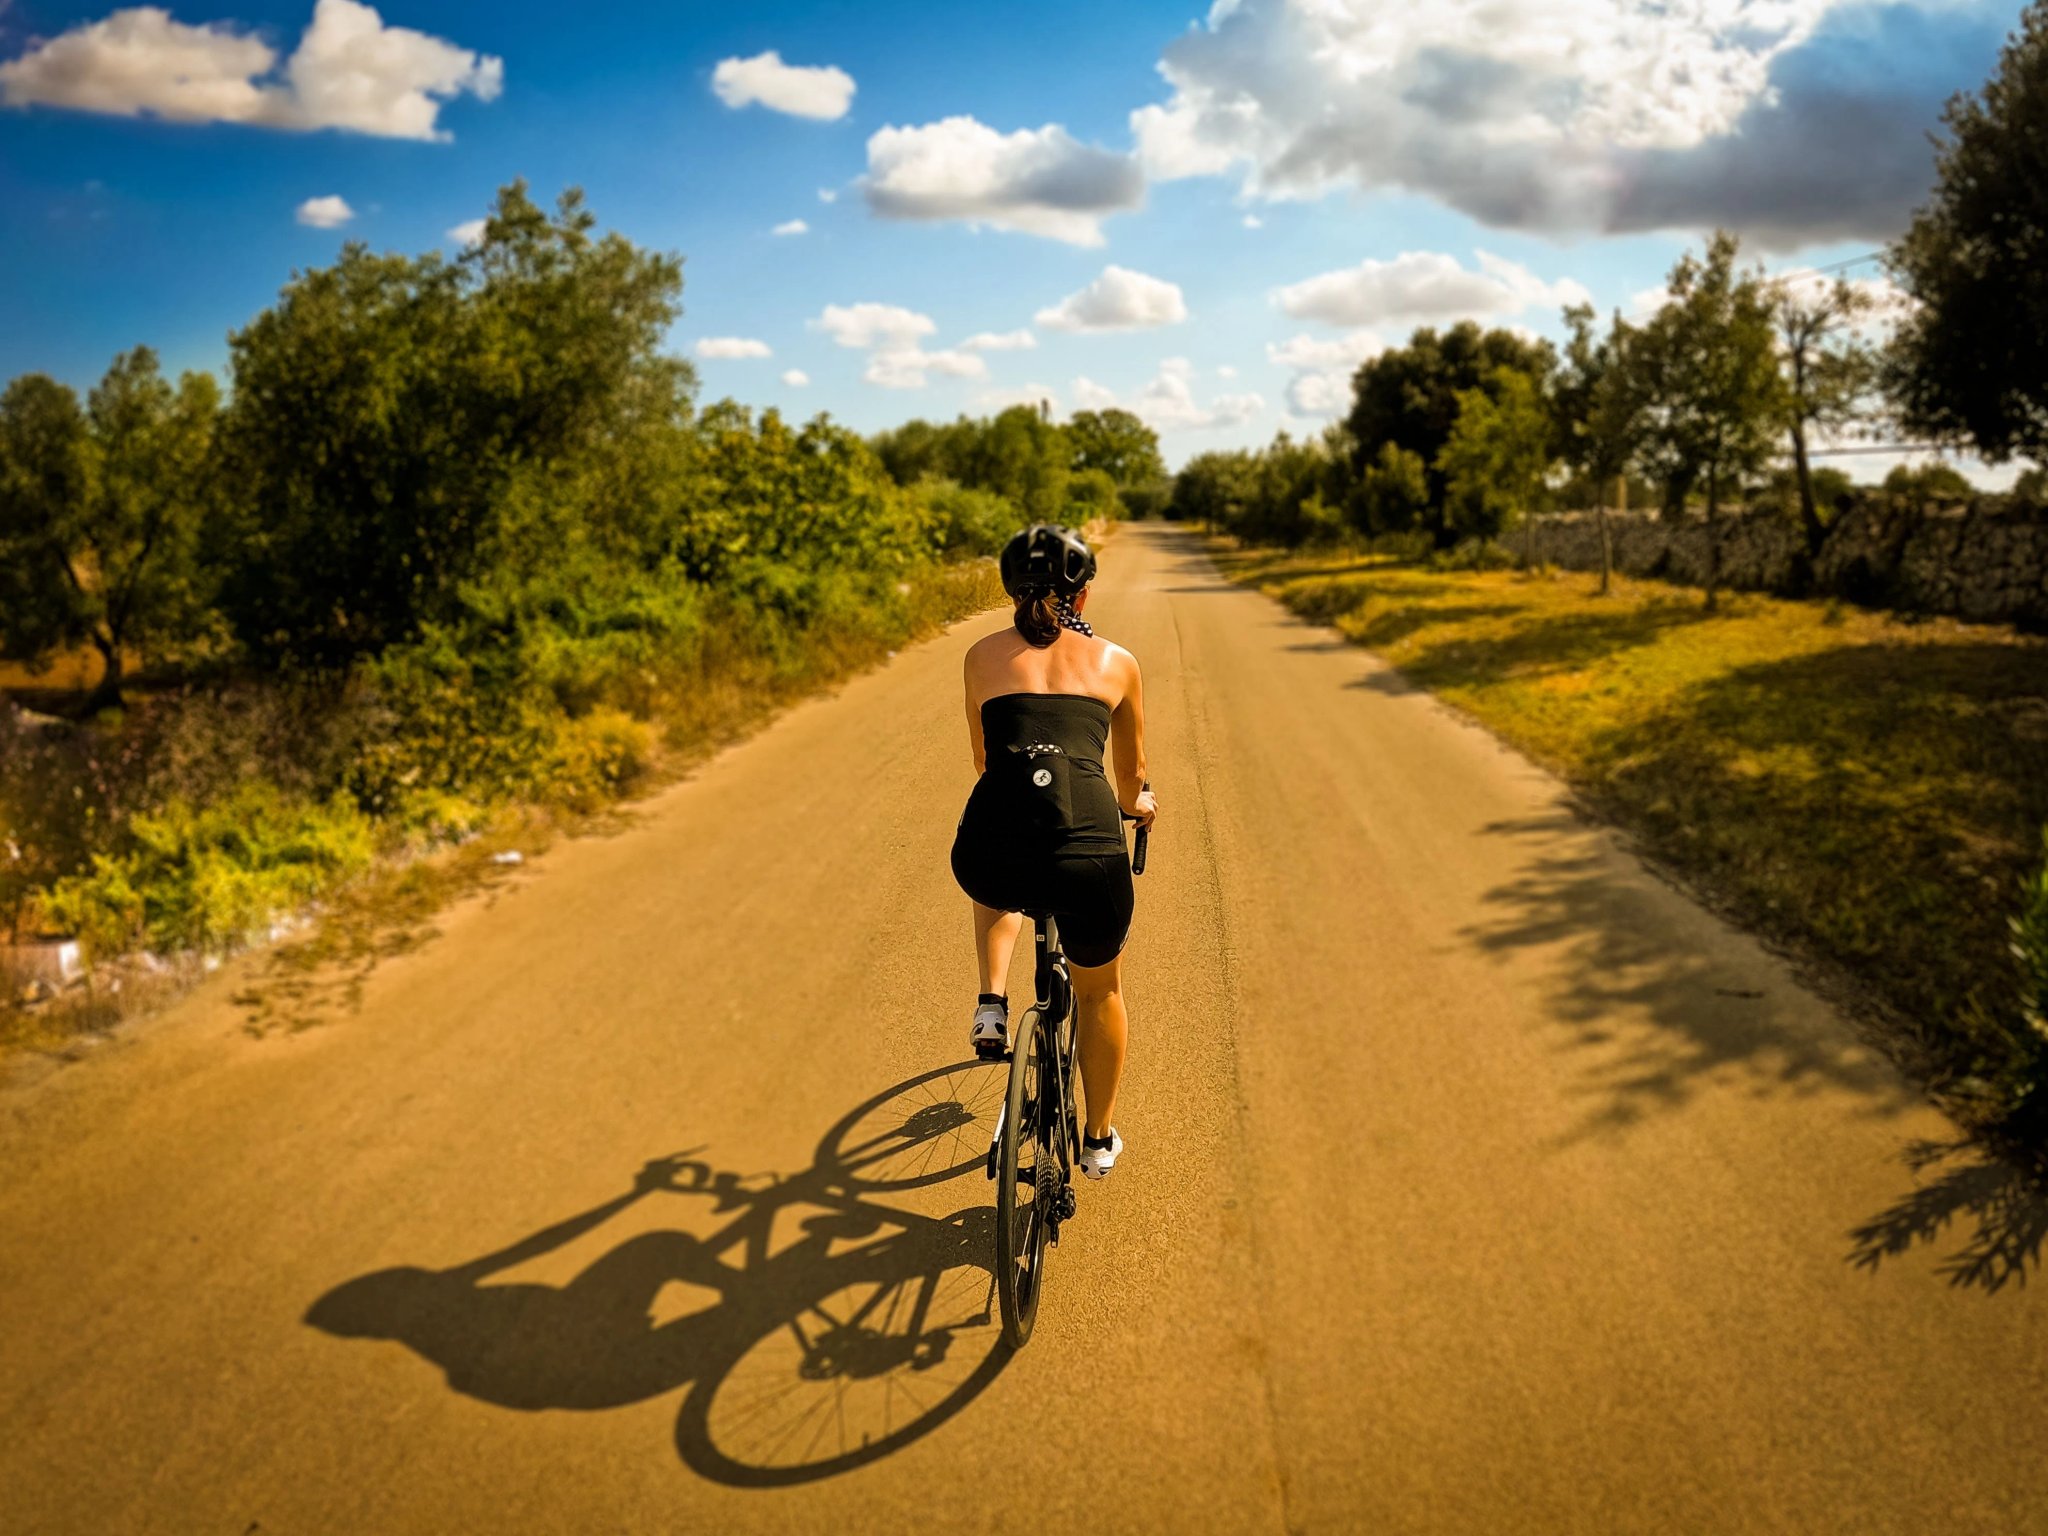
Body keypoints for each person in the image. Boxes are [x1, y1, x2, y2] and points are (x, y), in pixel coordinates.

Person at [949, 523, 1157, 1180]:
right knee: (1099, 995)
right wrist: (1138, 808)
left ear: (1010, 588)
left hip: (997, 848)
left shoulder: (980, 656)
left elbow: (984, 760)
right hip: (1090, 853)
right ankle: (1096, 1140)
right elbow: (1131, 778)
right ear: (1084, 594)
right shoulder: (1117, 662)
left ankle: (991, 1001)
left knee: (996, 864)